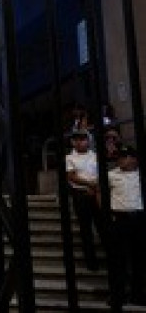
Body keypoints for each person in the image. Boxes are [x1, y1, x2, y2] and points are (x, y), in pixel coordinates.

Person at [104, 144, 145, 306]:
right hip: (120, 218)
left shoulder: (141, 175)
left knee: (140, 259)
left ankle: (138, 294)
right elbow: (100, 192)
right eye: (119, 156)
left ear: (134, 159)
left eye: (125, 156)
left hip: (139, 218)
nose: (121, 159)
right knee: (117, 260)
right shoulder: (111, 175)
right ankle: (117, 295)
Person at [65, 129, 103, 271]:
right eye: (76, 139)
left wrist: (96, 186)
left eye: (82, 139)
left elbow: (101, 173)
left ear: (88, 140)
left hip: (97, 193)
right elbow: (71, 176)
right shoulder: (69, 158)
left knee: (102, 226)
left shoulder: (95, 155)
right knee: (85, 230)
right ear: (73, 142)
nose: (80, 142)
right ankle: (91, 263)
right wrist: (89, 184)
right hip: (81, 194)